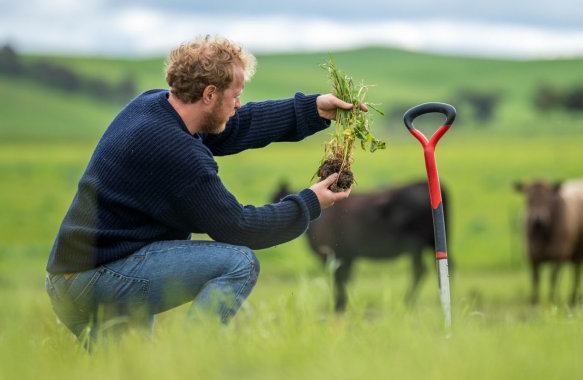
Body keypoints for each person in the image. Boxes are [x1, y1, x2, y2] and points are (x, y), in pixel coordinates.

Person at [45, 35, 358, 342]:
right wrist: (311, 201)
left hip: (72, 277)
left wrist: (312, 109)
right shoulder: (178, 153)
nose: (238, 103)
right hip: (100, 278)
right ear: (209, 94)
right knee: (239, 263)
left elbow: (235, 124)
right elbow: (239, 227)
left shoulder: (154, 107)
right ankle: (192, 359)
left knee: (133, 372)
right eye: (235, 95)